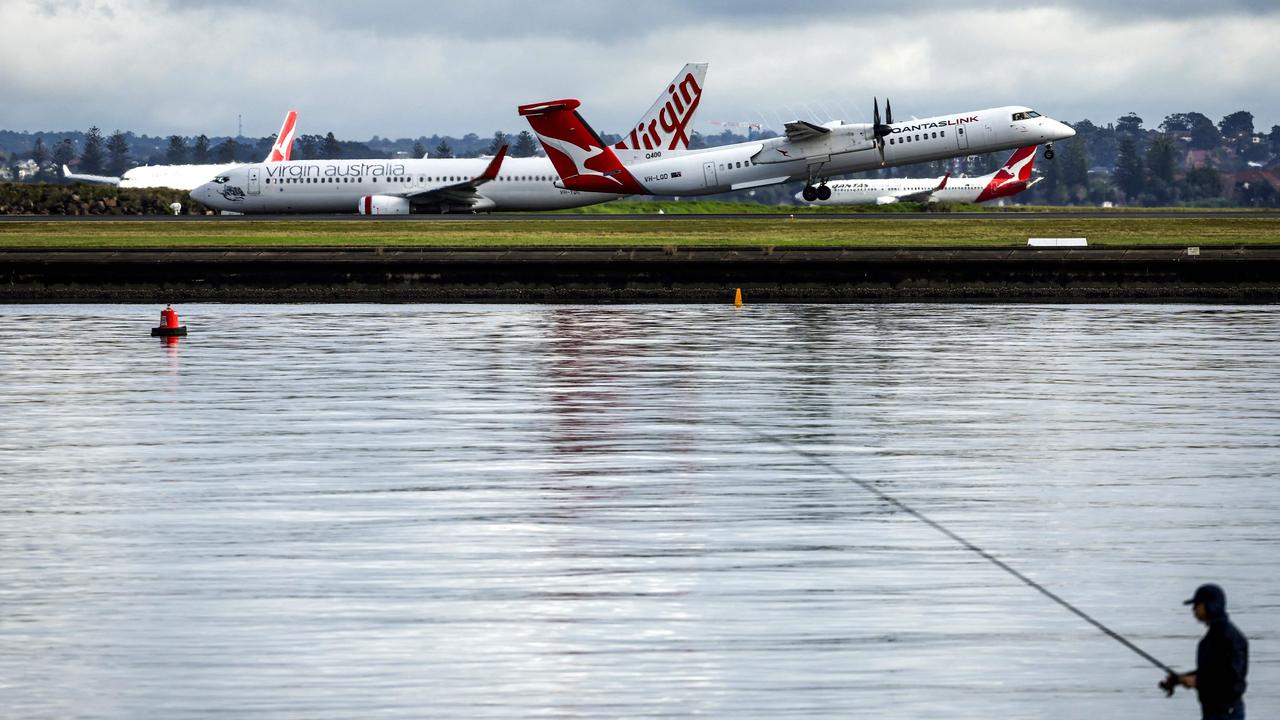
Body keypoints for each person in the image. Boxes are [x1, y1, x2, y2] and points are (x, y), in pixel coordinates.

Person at [1159, 584, 1248, 719]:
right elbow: (1211, 672)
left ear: (1211, 605)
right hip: (1212, 712)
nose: (1193, 609)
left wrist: (1197, 681)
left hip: (1227, 713)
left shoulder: (1231, 638)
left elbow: (1232, 679)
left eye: (1197, 604)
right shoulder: (1211, 638)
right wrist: (1177, 679)